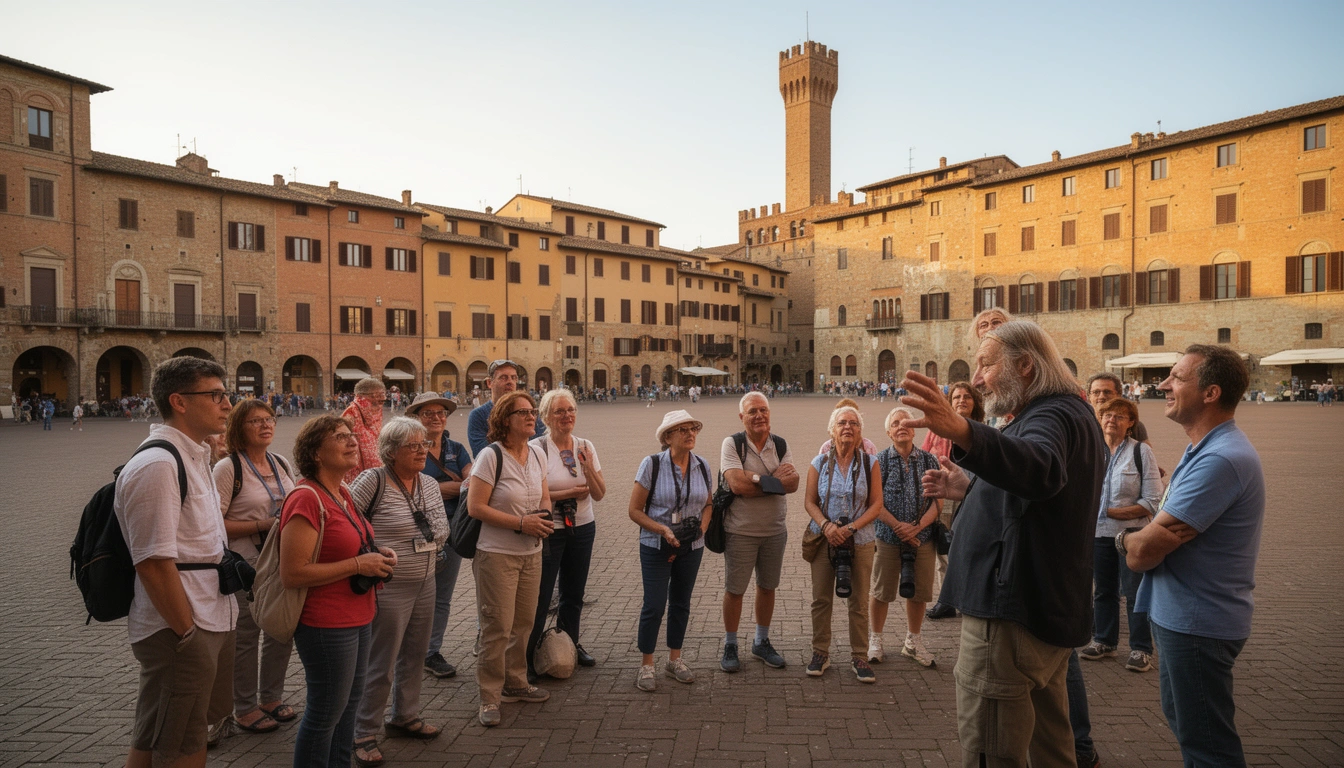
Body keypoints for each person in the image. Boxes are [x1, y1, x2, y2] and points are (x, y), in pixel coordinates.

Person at [903, 320, 1105, 768]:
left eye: (986, 365)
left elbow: (1040, 467)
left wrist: (962, 430)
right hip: (1043, 613)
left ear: (1026, 366)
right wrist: (968, 487)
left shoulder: (1051, 416)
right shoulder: (1068, 413)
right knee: (1053, 747)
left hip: (1011, 619)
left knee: (991, 748)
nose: (976, 379)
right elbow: (1040, 491)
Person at [1124, 345, 1265, 768]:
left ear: (1210, 393)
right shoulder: (1203, 448)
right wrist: (1143, 536)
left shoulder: (1220, 458)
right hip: (1184, 617)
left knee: (1208, 746)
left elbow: (1143, 553)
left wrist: (1125, 541)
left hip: (1198, 622)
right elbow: (1151, 539)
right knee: (1191, 727)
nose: (1163, 385)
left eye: (1177, 377)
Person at [114, 357, 236, 768]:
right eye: (216, 395)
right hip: (181, 626)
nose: (227, 404)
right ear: (179, 401)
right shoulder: (159, 465)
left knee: (158, 733)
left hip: (201, 615)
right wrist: (188, 636)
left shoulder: (193, 457)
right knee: (183, 740)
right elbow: (151, 563)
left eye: (226, 394)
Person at [280, 415, 397, 768]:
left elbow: (346, 544)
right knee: (324, 713)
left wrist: (377, 552)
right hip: (326, 623)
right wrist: (358, 566)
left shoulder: (342, 492)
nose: (352, 441)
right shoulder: (305, 498)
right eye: (339, 437)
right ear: (316, 452)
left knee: (348, 708)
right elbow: (293, 573)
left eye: (351, 436)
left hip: (359, 615)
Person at [349, 418, 450, 764]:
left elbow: (440, 526)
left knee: (415, 655)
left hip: (426, 581)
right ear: (391, 452)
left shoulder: (429, 483)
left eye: (425, 445)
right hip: (388, 587)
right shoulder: (372, 481)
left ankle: (405, 716)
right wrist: (369, 554)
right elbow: (344, 522)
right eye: (414, 446)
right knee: (382, 661)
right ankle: (363, 731)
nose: (423, 451)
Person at [467, 390, 554, 727]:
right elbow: (476, 507)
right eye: (523, 412)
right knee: (497, 627)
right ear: (505, 420)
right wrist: (521, 523)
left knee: (523, 624)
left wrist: (543, 517)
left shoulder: (536, 453)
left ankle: (516, 683)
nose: (531, 416)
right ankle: (489, 696)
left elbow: (544, 495)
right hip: (497, 555)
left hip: (532, 552)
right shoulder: (490, 456)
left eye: (533, 411)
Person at [212, 400, 297, 737]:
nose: (266, 425)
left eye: (269, 419)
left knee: (280, 629)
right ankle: (244, 706)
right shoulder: (227, 469)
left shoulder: (281, 463)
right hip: (246, 565)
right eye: (255, 421)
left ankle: (271, 697)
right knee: (246, 637)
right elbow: (214, 523)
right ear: (238, 428)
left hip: (281, 560)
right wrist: (264, 523)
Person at [628, 410, 714, 692]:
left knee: (681, 603)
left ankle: (674, 659)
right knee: (654, 605)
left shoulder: (703, 465)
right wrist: (663, 530)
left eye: (693, 429)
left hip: (692, 545)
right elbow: (634, 510)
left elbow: (709, 504)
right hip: (656, 544)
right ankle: (647, 664)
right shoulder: (651, 464)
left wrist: (701, 529)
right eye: (682, 430)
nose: (690, 434)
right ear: (667, 437)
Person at [526, 389, 607, 681]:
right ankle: (530, 653)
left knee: (573, 593)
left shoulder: (585, 445)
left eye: (570, 410)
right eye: (559, 411)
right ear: (546, 416)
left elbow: (599, 494)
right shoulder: (537, 448)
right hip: (550, 529)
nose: (566, 416)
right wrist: (570, 492)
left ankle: (569, 644)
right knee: (541, 594)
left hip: (583, 526)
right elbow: (537, 494)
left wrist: (586, 467)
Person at [718, 392, 799, 673]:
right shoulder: (732, 444)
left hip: (775, 530)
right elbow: (736, 485)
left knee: (767, 587)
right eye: (752, 411)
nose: (759, 416)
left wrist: (755, 480)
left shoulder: (780, 444)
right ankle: (730, 644)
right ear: (742, 417)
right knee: (735, 590)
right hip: (740, 531)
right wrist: (772, 481)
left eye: (763, 410)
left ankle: (760, 641)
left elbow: (793, 483)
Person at [802, 405, 884, 682]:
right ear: (832, 430)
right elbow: (809, 501)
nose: (847, 427)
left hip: (859, 539)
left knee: (859, 601)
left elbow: (876, 505)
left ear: (861, 432)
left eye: (853, 423)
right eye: (842, 423)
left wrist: (850, 528)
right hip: (824, 538)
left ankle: (860, 656)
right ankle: (820, 653)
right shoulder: (819, 462)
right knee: (821, 599)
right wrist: (827, 526)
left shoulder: (871, 463)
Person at [1081, 397, 1160, 673]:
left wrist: (1112, 513)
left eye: (1119, 416)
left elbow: (1152, 500)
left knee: (1135, 592)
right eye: (1106, 415)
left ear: (1131, 424)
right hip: (1098, 534)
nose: (1111, 420)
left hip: (1131, 535)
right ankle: (1105, 641)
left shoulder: (1141, 452)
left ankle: (1141, 648)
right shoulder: (1091, 451)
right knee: (1103, 590)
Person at [405, 392, 471, 680]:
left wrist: (436, 486)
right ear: (417, 417)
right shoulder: (409, 448)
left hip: (453, 528)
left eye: (441, 412)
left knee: (442, 595)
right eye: (428, 413)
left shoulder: (456, 448)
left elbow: (472, 482)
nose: (436, 417)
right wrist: (451, 486)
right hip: (418, 530)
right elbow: (412, 488)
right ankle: (406, 648)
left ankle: (431, 652)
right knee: (413, 592)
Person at [869, 408, 942, 668]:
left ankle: (913, 641)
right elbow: (874, 502)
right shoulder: (879, 461)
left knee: (919, 592)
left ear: (914, 428)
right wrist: (899, 526)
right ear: (889, 432)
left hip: (922, 538)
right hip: (889, 536)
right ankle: (876, 640)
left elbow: (938, 501)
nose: (901, 426)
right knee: (881, 591)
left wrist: (917, 527)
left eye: (906, 422)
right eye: (895, 423)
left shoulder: (929, 461)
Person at [923, 382, 984, 620]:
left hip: (974, 493)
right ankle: (946, 600)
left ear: (975, 402)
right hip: (945, 494)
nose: (961, 400)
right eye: (957, 397)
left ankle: (970, 598)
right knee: (945, 547)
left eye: (967, 397)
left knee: (971, 547)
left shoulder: (982, 429)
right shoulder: (938, 427)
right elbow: (925, 455)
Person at [467, 360, 544, 457]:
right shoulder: (478, 415)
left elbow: (540, 446)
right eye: (503, 377)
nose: (510, 382)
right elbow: (483, 454)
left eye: (513, 378)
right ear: (489, 382)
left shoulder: (531, 413)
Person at [342, 378, 387, 483]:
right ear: (362, 397)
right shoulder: (350, 416)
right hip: (355, 478)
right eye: (376, 401)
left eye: (382, 401)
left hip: (374, 476)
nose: (379, 406)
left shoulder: (374, 415)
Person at [1087, 372, 1150, 443]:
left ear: (1118, 395)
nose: (1101, 396)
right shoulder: (1082, 424)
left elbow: (1145, 451)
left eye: (1107, 392)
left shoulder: (1131, 425)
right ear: (1089, 396)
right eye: (1096, 392)